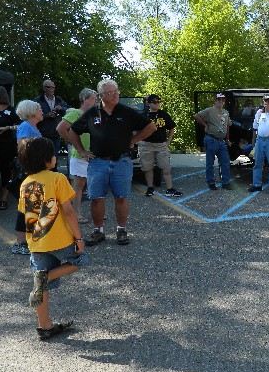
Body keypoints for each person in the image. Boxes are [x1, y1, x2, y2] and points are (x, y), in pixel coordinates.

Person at [66, 79, 155, 246]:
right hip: (98, 163)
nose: (115, 95)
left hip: (122, 161)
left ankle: (121, 230)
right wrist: (82, 151)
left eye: (116, 91)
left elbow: (151, 127)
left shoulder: (126, 111)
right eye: (110, 93)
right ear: (101, 96)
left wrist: (133, 140)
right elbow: (72, 131)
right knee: (96, 198)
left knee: (121, 197)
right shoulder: (92, 113)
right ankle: (98, 231)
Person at [17, 137, 87, 341]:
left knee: (40, 283)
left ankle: (44, 325)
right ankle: (46, 277)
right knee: (81, 260)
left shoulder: (25, 183)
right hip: (61, 240)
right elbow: (69, 212)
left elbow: (26, 214)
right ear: (48, 160)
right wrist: (79, 238)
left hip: (37, 242)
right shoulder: (57, 178)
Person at [56, 88, 99, 224]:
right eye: (93, 98)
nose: (96, 101)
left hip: (94, 154)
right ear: (84, 99)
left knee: (96, 184)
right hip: (81, 155)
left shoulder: (96, 114)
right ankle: (76, 213)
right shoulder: (76, 113)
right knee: (79, 185)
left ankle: (97, 211)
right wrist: (74, 143)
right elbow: (60, 128)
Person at [10, 100, 44, 255]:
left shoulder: (33, 127)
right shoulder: (25, 127)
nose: (42, 111)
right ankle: (19, 242)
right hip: (29, 171)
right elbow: (22, 149)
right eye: (39, 109)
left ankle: (29, 239)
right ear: (31, 112)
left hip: (36, 170)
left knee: (33, 205)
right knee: (25, 206)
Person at [137, 94, 183, 198]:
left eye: (158, 101)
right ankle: (150, 188)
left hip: (161, 145)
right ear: (148, 103)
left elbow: (171, 128)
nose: (157, 104)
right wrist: (138, 141)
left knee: (166, 167)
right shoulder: (143, 115)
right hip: (146, 145)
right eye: (154, 102)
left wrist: (168, 142)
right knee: (148, 168)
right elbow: (135, 130)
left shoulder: (164, 114)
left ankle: (170, 189)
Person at [194, 93, 233, 190]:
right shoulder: (210, 110)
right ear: (215, 101)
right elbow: (196, 116)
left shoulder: (226, 112)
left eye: (222, 100)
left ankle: (225, 182)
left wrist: (227, 139)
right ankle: (211, 182)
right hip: (211, 139)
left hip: (221, 141)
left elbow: (227, 126)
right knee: (210, 162)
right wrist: (205, 125)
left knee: (225, 161)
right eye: (219, 100)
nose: (221, 102)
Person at [33, 80, 69, 158]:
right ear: (44, 88)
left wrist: (61, 109)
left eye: (53, 87)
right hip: (42, 134)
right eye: (48, 87)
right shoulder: (38, 100)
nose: (51, 89)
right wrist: (46, 116)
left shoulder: (59, 100)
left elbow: (68, 111)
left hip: (55, 134)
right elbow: (32, 116)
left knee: (54, 159)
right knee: (42, 158)